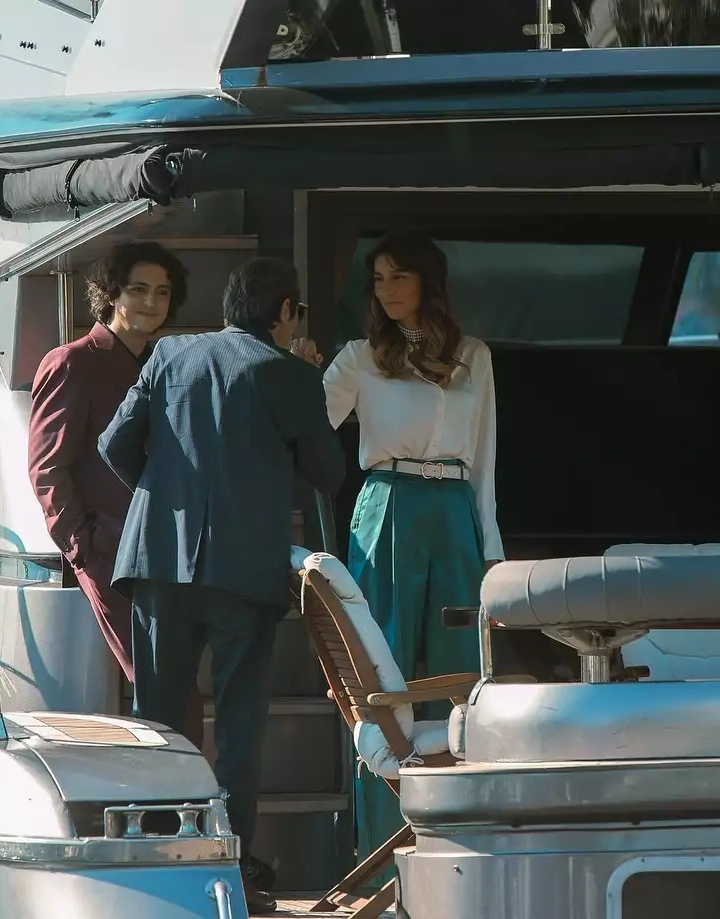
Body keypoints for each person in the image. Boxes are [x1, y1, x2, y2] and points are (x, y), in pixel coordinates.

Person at [99, 256, 345, 914]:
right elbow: (328, 470)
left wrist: (167, 501)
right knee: (237, 730)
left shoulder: (169, 354)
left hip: (159, 563)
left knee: (156, 725)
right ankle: (228, 873)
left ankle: (154, 868)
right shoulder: (288, 373)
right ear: (285, 312)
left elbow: (114, 445)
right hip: (243, 574)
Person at [314, 228, 503, 875]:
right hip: (387, 502)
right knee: (381, 669)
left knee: (462, 670)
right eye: (378, 279)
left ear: (428, 280)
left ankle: (462, 841)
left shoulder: (473, 355)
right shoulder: (359, 356)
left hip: (453, 506)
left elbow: (485, 459)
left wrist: (491, 547)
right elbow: (309, 429)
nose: (387, 290)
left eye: (400, 275)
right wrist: (295, 371)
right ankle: (379, 851)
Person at [27, 241, 204, 743]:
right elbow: (46, 468)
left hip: (167, 553)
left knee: (172, 690)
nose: (151, 301)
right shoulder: (73, 362)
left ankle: (178, 785)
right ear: (110, 294)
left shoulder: (164, 364)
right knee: (167, 691)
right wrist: (84, 546)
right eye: (138, 289)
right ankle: (180, 788)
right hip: (111, 551)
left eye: (162, 292)